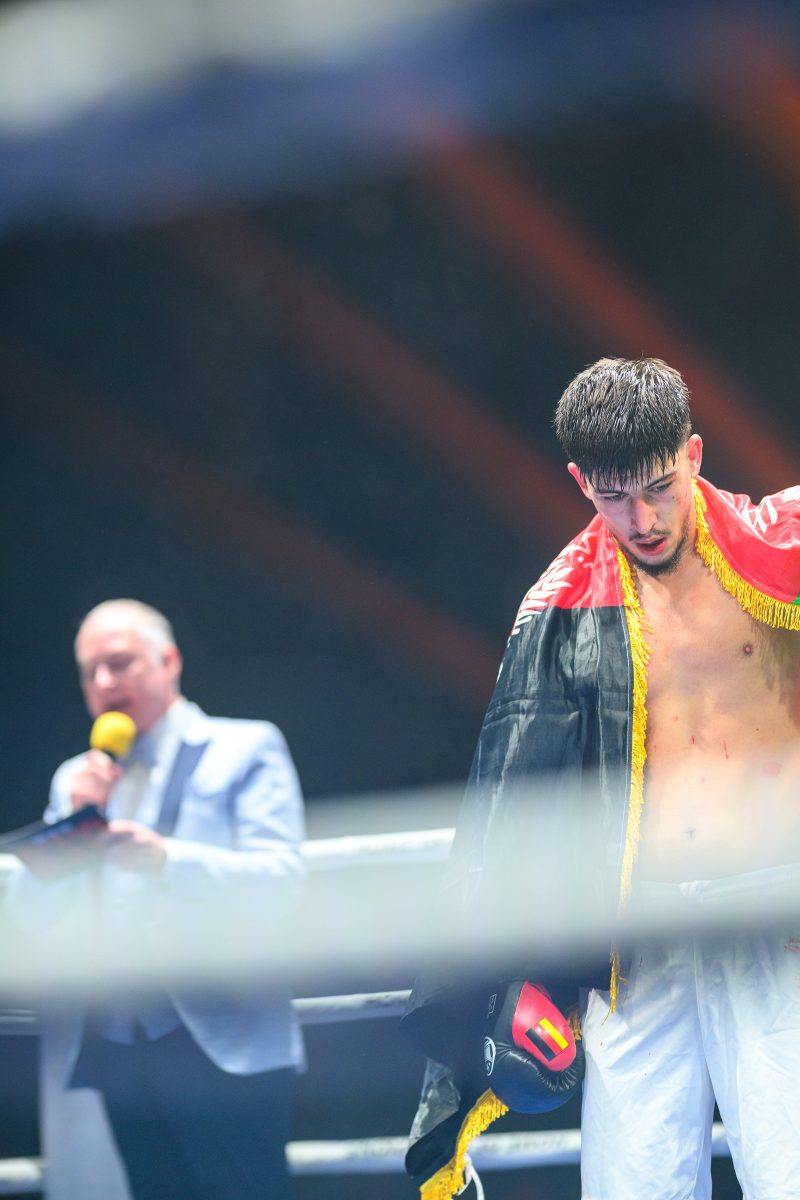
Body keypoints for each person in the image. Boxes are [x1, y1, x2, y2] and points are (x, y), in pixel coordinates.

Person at [401, 358, 800, 1200]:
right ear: (581, 482)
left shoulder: (785, 550)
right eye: (615, 496)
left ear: (694, 454)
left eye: (659, 487)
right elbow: (516, 802)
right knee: (632, 1189)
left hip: (773, 910)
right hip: (634, 941)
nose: (643, 519)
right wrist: (532, 963)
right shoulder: (559, 609)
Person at [36, 598, 306, 1199]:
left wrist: (167, 861)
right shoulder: (75, 780)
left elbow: (282, 881)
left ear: (169, 661)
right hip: (118, 1043)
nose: (104, 683)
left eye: (120, 662)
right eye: (89, 671)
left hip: (223, 1036)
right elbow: (41, 911)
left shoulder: (245, 746)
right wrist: (69, 821)